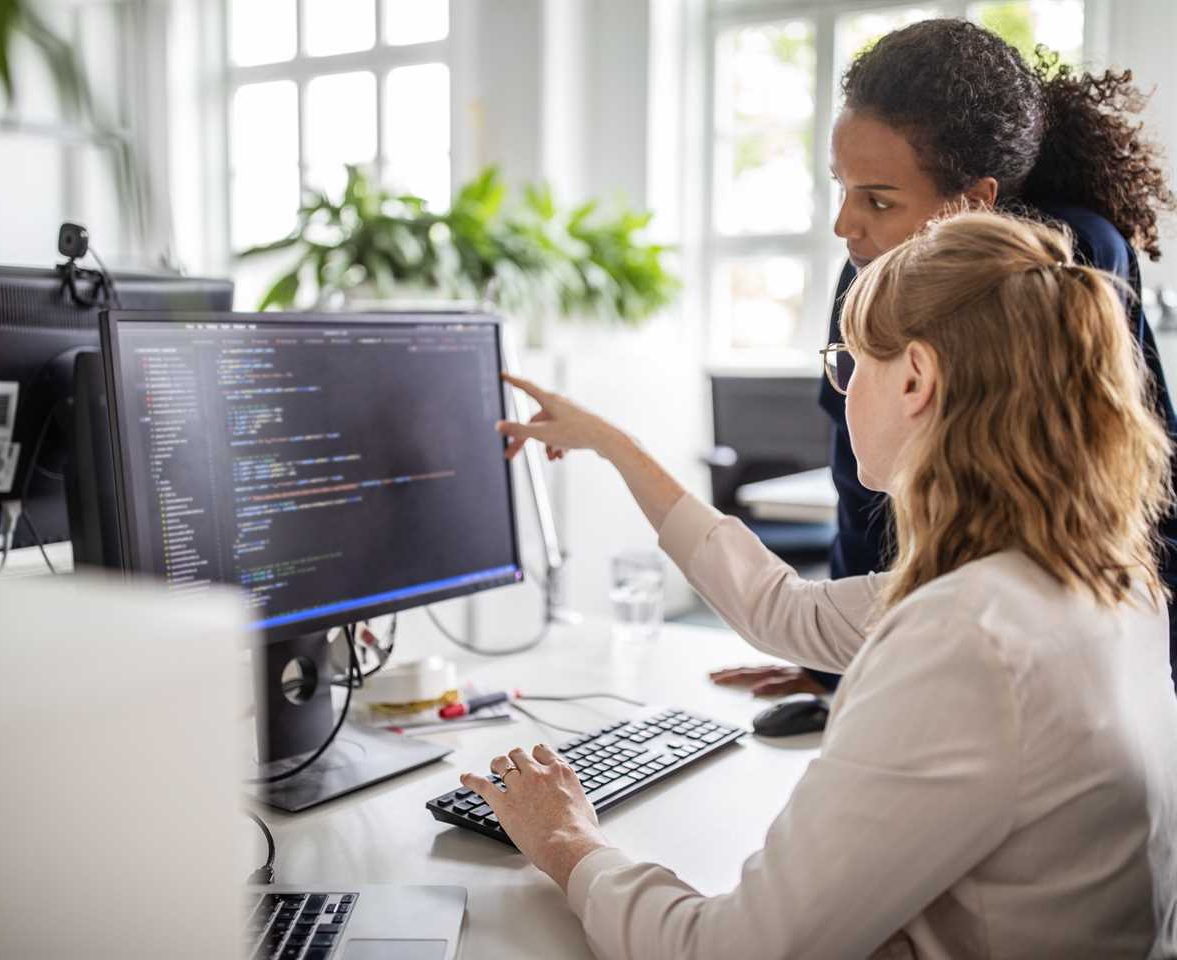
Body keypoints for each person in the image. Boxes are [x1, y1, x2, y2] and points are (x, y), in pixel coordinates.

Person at [461, 211, 1177, 958]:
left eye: (849, 365)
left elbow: (732, 951)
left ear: (915, 379)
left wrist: (569, 844)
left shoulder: (968, 638)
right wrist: (616, 445)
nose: (840, 393)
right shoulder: (1097, 579)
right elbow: (784, 609)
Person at [710, 18, 1177, 702]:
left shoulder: (1072, 263)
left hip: (1070, 646)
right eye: (842, 186)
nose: (846, 225)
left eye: (878, 199)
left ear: (976, 200)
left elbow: (1139, 494)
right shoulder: (868, 270)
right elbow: (860, 491)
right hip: (936, 640)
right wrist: (839, 667)